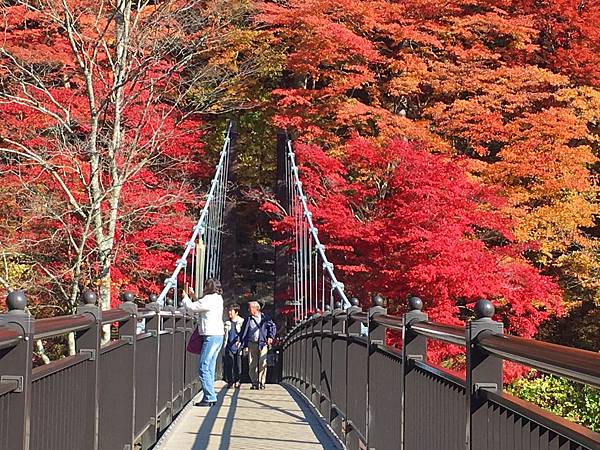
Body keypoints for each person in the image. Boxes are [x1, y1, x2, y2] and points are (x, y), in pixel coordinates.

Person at [182, 279, 224, 407]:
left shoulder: (209, 299)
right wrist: (194, 296)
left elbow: (192, 307)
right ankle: (209, 395)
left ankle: (210, 397)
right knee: (209, 367)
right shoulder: (218, 298)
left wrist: (185, 298)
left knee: (203, 367)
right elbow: (201, 306)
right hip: (218, 335)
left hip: (210, 336)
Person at [240, 301, 277, 390]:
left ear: (256, 308)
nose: (248, 310)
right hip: (251, 343)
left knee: (263, 362)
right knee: (252, 364)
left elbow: (272, 326)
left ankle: (261, 382)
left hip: (262, 343)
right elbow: (243, 331)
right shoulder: (247, 319)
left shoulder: (265, 318)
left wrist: (270, 337)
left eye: (250, 308)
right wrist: (241, 342)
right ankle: (254, 382)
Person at [223, 303, 244, 388]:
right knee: (229, 364)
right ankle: (230, 381)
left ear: (236, 312)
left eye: (231, 311)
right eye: (229, 311)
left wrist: (241, 342)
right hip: (229, 345)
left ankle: (237, 380)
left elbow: (243, 334)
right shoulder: (226, 322)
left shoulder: (241, 321)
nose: (229, 313)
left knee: (238, 364)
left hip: (238, 345)